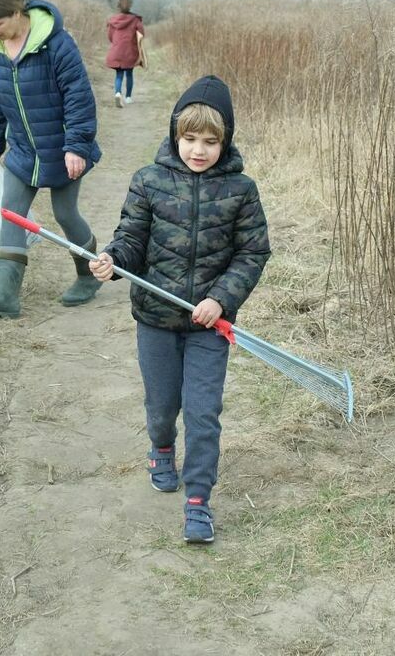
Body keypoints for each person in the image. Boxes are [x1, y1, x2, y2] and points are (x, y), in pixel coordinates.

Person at [89, 75, 270, 543]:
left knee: (204, 412)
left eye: (210, 141)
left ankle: (199, 502)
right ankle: (161, 446)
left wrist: (221, 299)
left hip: (209, 325)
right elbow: (131, 238)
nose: (198, 150)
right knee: (163, 405)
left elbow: (253, 253)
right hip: (156, 318)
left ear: (224, 141)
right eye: (189, 138)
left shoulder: (241, 190)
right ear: (175, 134)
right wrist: (113, 261)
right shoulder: (148, 182)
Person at [0, 0, 102, 318]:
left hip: (62, 148)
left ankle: (89, 275)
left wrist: (77, 147)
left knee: (65, 214)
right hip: (23, 150)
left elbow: (79, 97)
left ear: (17, 13)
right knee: (11, 211)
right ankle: (4, 295)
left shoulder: (57, 45)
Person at [105, 0, 145, 108]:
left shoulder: (113, 20)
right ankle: (128, 97)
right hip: (130, 52)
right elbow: (141, 34)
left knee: (118, 74)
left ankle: (117, 93)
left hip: (117, 51)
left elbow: (110, 36)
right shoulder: (135, 20)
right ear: (130, 6)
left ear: (119, 6)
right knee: (129, 74)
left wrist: (116, 43)